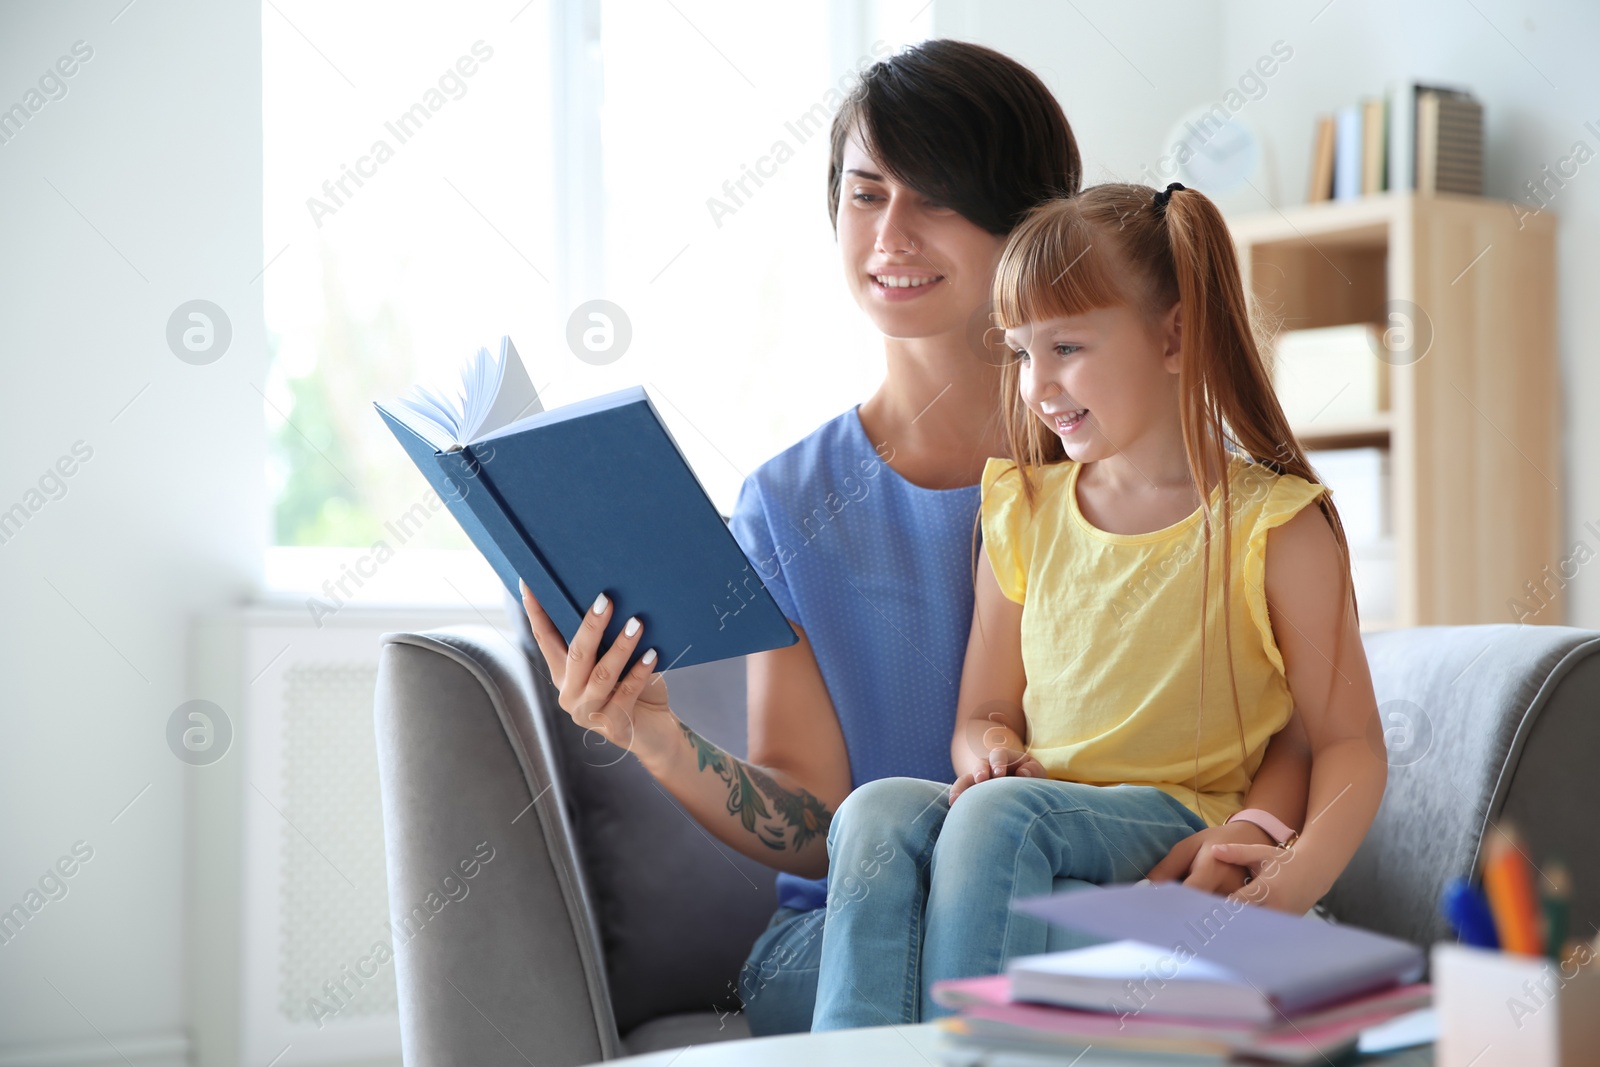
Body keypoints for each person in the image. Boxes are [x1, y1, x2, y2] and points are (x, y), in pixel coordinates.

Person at [517, 43, 1305, 1037]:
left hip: (1087, 893)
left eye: (935, 197)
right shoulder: (787, 498)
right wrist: (653, 735)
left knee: (1080, 941)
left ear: (1030, 225)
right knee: (962, 930)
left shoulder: (1140, 469)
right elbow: (815, 825)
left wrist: (1235, 842)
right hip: (846, 930)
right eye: (864, 193)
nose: (890, 233)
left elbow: (1282, 722)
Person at [809, 182, 1389, 1030]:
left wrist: (1288, 881)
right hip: (1041, 803)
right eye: (1020, 351)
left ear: (1175, 334)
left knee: (998, 820)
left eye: (1068, 346)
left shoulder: (1278, 527)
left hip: (1176, 814)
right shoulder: (1024, 508)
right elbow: (982, 713)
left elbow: (1350, 743)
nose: (1039, 385)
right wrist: (994, 749)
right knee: (875, 813)